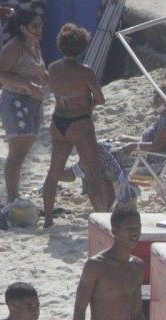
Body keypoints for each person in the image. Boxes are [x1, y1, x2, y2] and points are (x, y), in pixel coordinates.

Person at [61, 83, 166, 206]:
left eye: (157, 95)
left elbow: (157, 145)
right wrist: (129, 139)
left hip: (149, 162)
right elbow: (152, 141)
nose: (153, 98)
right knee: (98, 149)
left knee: (97, 151)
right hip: (144, 156)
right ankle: (76, 174)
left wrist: (133, 146)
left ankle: (70, 174)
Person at [41, 24, 111, 227]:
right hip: (79, 122)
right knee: (93, 174)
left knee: (53, 173)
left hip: (58, 121)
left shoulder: (53, 68)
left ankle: (48, 219)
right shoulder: (85, 71)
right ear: (82, 47)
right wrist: (89, 104)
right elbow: (100, 99)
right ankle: (102, 222)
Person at [0, 10, 46, 207]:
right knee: (16, 153)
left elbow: (40, 71)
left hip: (33, 103)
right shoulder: (14, 47)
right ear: (23, 28)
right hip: (15, 103)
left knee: (23, 151)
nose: (39, 29)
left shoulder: (34, 44)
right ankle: (12, 197)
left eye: (40, 24)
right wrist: (27, 86)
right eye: (35, 26)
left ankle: (15, 194)